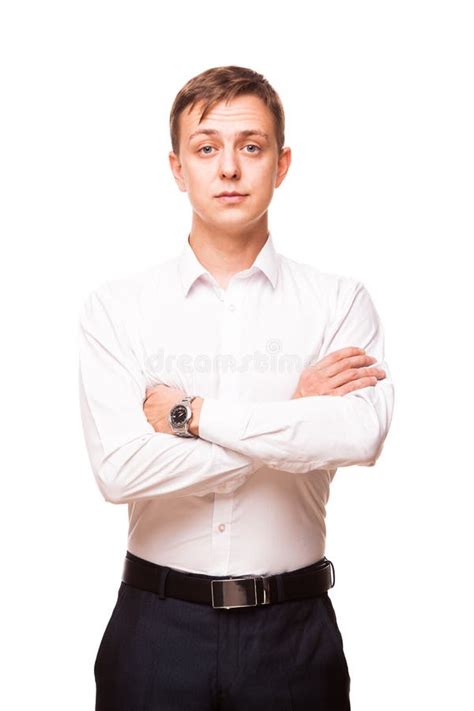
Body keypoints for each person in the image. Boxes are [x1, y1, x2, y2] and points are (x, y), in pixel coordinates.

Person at [78, 65, 394, 711]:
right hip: (156, 631)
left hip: (293, 634)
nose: (228, 168)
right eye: (206, 148)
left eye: (250, 147)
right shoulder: (118, 308)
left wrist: (190, 414)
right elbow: (119, 469)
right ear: (177, 167)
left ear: (281, 164)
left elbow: (358, 434)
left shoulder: (339, 303)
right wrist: (292, 420)